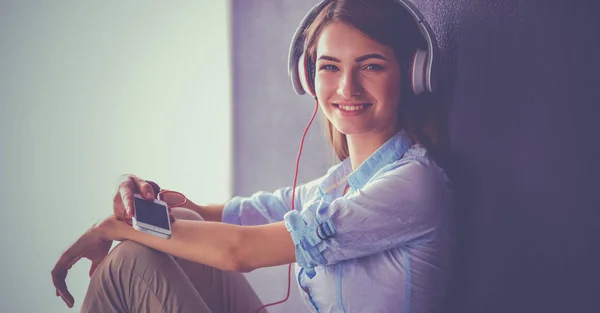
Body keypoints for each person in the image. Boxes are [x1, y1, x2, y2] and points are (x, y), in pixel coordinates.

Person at [51, 0, 455, 312]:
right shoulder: (340, 184)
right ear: (308, 77)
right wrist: (140, 204)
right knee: (179, 227)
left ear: (412, 74)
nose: (346, 87)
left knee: (129, 265)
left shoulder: (413, 183)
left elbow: (239, 251)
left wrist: (112, 229)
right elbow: (223, 218)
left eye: (370, 66)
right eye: (330, 67)